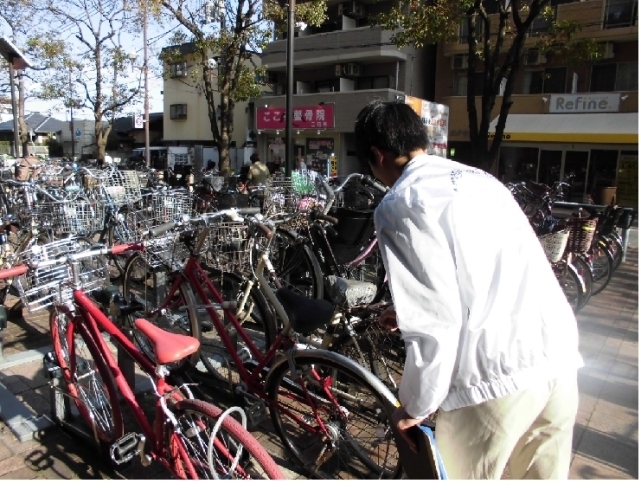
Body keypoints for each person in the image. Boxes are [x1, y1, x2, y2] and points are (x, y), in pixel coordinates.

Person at [354, 100, 582, 480]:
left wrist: (414, 405)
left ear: (377, 155)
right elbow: (487, 266)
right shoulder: (480, 179)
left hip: (492, 375)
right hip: (555, 351)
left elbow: (435, 319)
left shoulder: (401, 203)